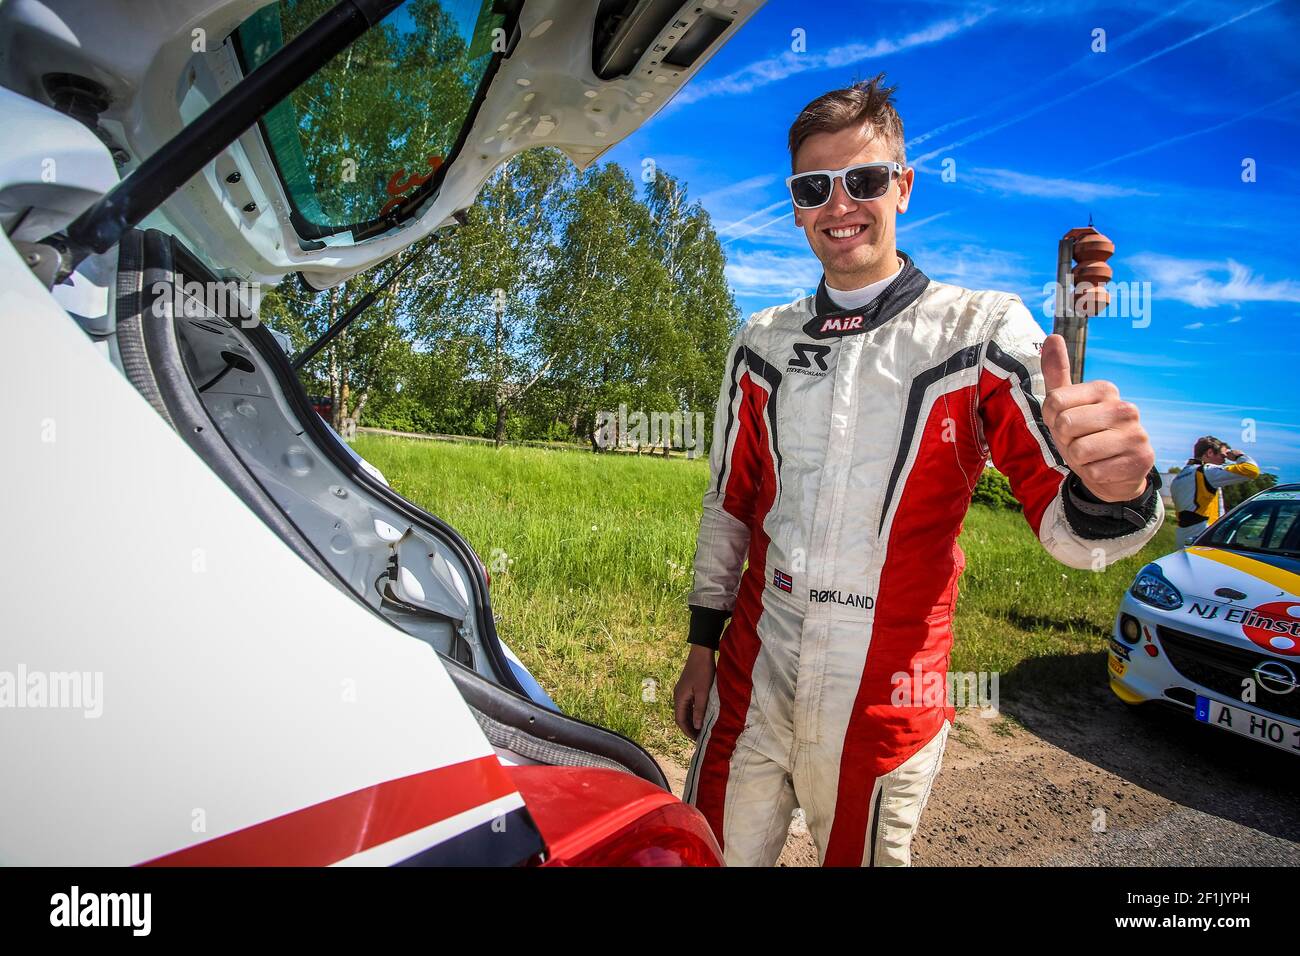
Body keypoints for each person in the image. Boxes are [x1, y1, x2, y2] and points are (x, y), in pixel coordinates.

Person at [672, 76, 1164, 867]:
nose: (840, 205)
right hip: (750, 680)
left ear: (902, 185)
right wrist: (700, 644)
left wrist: (1115, 491)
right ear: (795, 204)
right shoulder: (760, 340)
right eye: (813, 187)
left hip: (885, 702)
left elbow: (1071, 531)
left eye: (863, 180)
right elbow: (731, 507)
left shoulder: (981, 329)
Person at [1169, 436, 1260, 547]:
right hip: (1204, 537)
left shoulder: (1179, 478)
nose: (1224, 461)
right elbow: (1251, 470)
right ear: (1210, 452)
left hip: (1182, 538)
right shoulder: (1206, 472)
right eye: (1222, 456)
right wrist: (1239, 456)